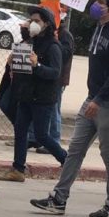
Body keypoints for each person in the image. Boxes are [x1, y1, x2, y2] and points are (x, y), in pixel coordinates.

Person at [30, 0, 109, 217]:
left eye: (101, 2)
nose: (96, 6)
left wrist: (99, 98)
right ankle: (59, 198)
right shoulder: (100, 28)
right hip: (92, 99)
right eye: (96, 0)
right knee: (75, 150)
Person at [0, 6, 67, 182]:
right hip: (26, 95)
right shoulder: (29, 42)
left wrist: (38, 66)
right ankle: (18, 169)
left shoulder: (53, 46)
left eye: (37, 21)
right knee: (20, 131)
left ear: (47, 24)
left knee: (42, 135)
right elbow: (22, 68)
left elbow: (55, 73)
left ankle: (67, 160)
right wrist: (12, 63)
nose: (32, 24)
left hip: (43, 98)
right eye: (31, 20)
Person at [38, 9, 74, 154]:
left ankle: (54, 139)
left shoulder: (64, 35)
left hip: (58, 79)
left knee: (54, 109)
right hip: (47, 76)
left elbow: (64, 55)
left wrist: (56, 41)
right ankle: (41, 139)